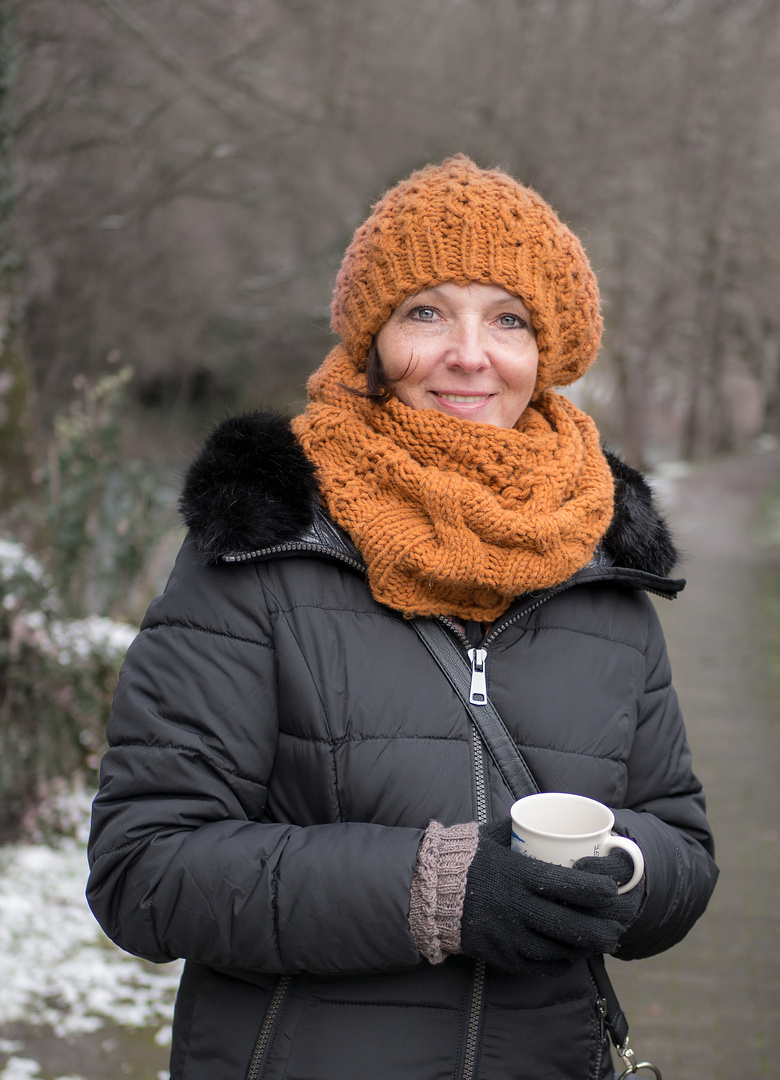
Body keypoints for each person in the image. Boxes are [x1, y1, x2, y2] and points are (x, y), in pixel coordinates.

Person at [87, 154, 718, 1080]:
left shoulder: (603, 566)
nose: (470, 354)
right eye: (428, 311)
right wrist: (439, 892)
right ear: (375, 337)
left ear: (548, 352)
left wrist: (621, 867)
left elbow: (683, 851)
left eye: (507, 319)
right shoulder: (263, 543)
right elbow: (145, 870)